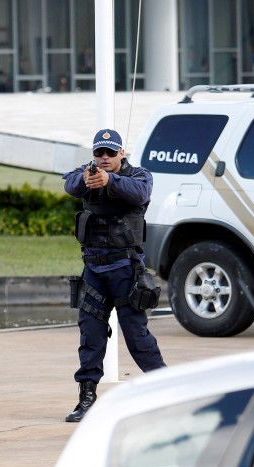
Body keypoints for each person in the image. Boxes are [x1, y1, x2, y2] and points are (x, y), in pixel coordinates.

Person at [62, 129, 166, 422]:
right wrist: (86, 178)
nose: (104, 158)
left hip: (125, 270)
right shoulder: (87, 175)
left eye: (110, 152)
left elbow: (140, 193)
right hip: (93, 270)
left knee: (137, 336)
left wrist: (110, 181)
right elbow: (69, 184)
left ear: (122, 153)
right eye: (99, 153)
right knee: (90, 335)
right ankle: (87, 398)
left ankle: (166, 391)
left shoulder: (139, 176)